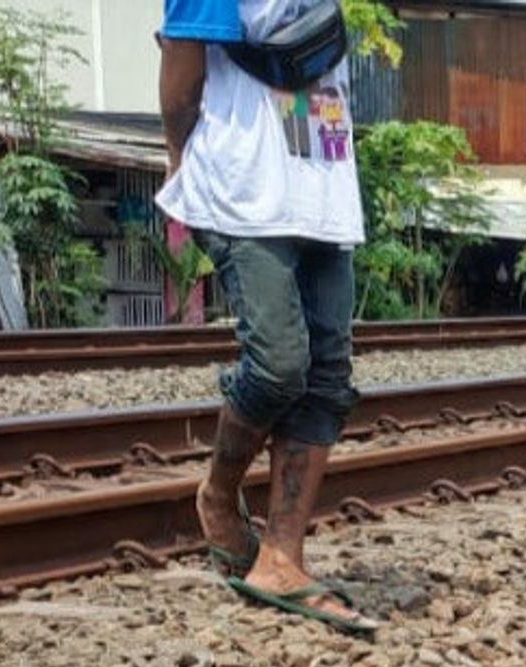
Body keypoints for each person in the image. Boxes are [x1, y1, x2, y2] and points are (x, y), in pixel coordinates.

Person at [155, 0, 377, 633]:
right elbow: (181, 56)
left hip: (324, 173)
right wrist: (179, 158)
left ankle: (282, 556)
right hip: (244, 183)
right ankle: (219, 493)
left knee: (328, 375)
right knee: (279, 363)